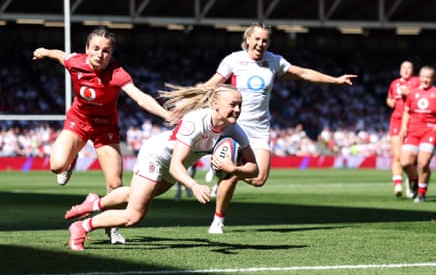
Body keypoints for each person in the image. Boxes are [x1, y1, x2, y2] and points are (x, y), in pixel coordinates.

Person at [200, 22, 357, 234]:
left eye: (265, 40)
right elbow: (212, 84)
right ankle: (218, 221)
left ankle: (228, 170)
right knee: (233, 175)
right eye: (257, 39)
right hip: (235, 126)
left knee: (259, 179)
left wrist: (335, 80)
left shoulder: (274, 61)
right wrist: (189, 96)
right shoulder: (233, 60)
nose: (260, 44)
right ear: (248, 39)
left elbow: (302, 73)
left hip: (260, 129)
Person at [64, 84, 258, 250]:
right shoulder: (196, 122)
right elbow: (175, 166)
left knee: (135, 195)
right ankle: (81, 227)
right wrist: (194, 186)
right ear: (215, 104)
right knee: (134, 215)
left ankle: (94, 203)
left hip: (172, 166)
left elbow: (254, 169)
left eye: (240, 105)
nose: (238, 109)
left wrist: (234, 170)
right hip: (156, 157)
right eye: (233, 104)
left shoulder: (234, 129)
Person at [32, 26, 169, 244]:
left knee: (115, 184)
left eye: (106, 50)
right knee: (56, 166)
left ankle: (111, 227)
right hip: (78, 123)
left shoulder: (117, 73)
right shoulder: (75, 62)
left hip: (106, 130)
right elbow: (61, 56)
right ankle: (70, 161)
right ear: (87, 49)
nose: (100, 54)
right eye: (95, 48)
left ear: (111, 53)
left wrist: (165, 114)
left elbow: (140, 98)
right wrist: (45, 51)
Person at [399, 66, 436, 203]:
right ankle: (414, 180)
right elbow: (407, 112)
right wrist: (404, 127)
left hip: (430, 131)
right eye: (423, 76)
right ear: (419, 77)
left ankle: (421, 193)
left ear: (433, 79)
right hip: (413, 131)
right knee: (405, 163)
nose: (425, 79)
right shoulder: (413, 93)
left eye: (428, 77)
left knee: (423, 164)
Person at [386, 60, 421, 198]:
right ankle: (397, 184)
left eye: (409, 67)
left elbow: (422, 97)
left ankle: (411, 180)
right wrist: (391, 103)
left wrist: (410, 93)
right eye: (403, 67)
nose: (406, 70)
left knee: (411, 159)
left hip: (413, 121)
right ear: (400, 69)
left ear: (412, 70)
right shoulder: (394, 83)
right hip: (396, 120)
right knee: (396, 155)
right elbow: (389, 98)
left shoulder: (417, 82)